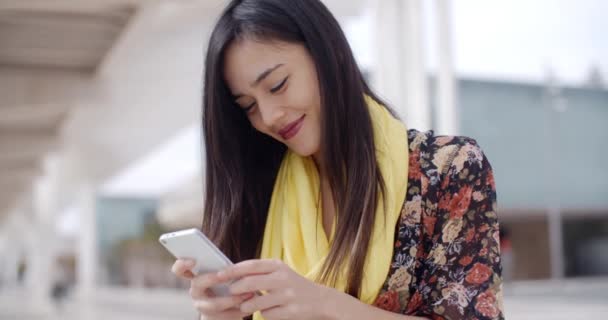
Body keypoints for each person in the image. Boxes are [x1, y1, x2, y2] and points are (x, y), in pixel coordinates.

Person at [171, 0, 504, 319]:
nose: (269, 117)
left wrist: (327, 306)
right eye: (248, 106)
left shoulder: (449, 169)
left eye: (277, 84)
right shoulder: (261, 191)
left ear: (328, 54)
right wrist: (217, 314)